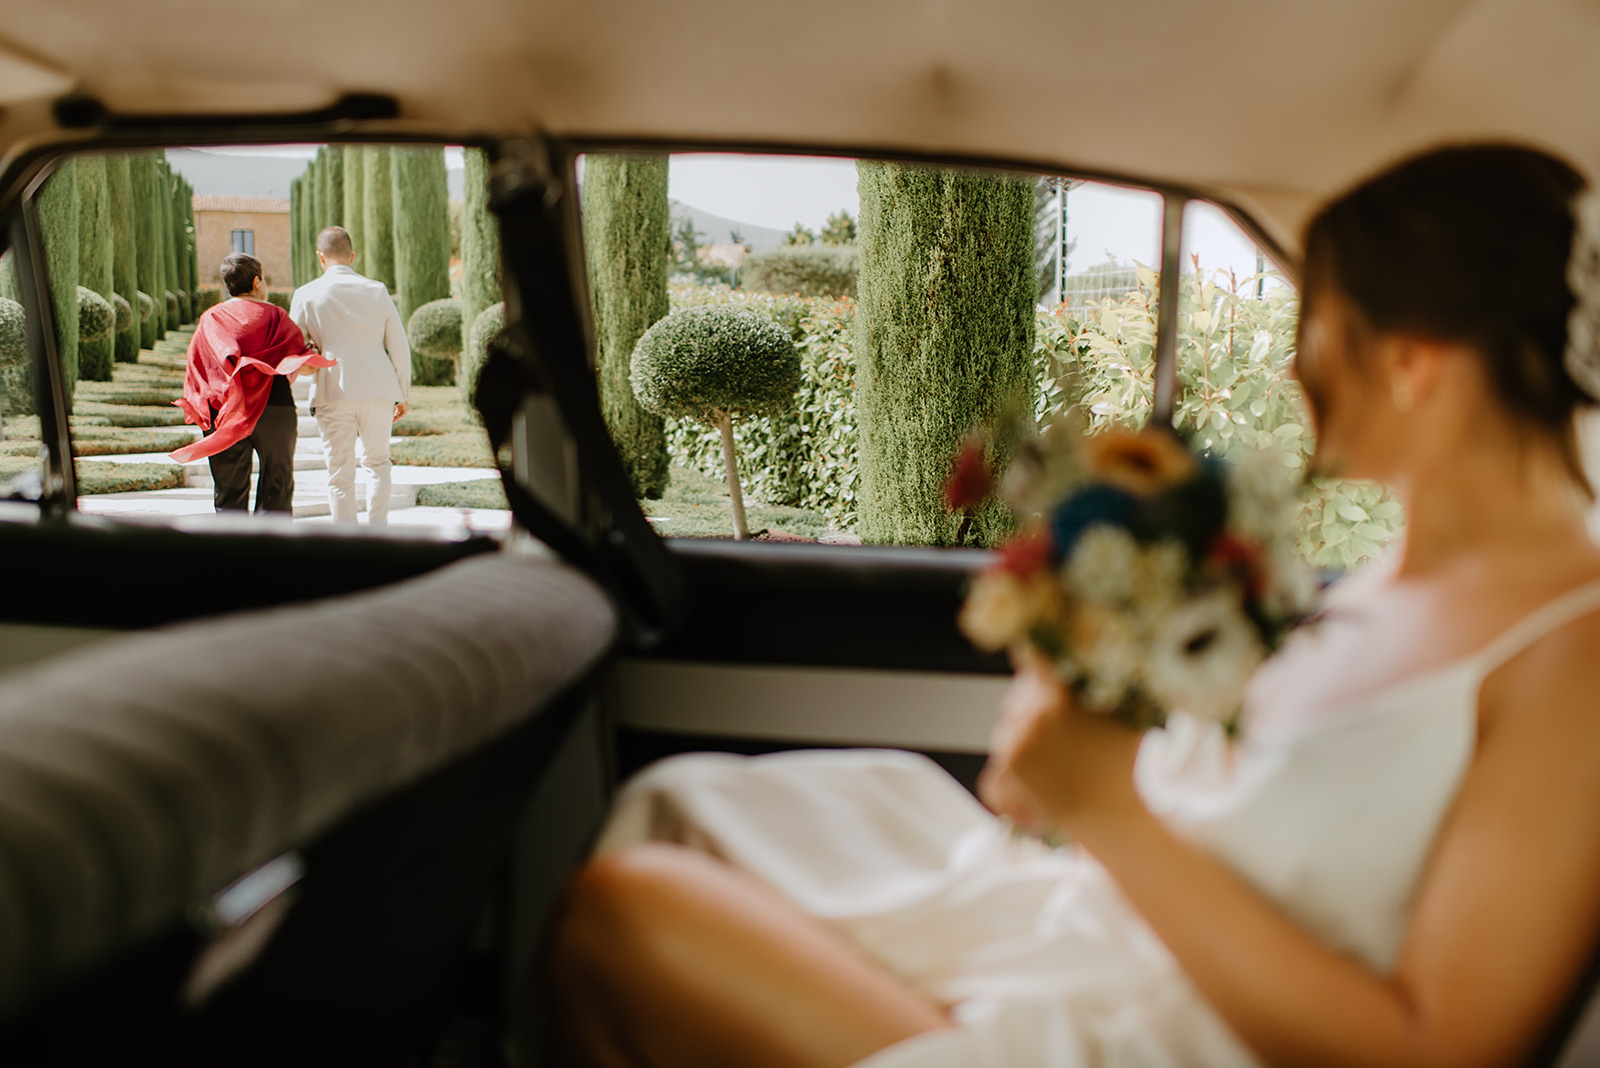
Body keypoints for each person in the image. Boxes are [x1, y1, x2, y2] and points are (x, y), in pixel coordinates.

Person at [549, 144, 1600, 1068]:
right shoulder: (1384, 579)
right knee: (696, 807)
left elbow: (1439, 1052)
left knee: (622, 916)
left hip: (1158, 1032)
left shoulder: (1573, 653)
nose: (1289, 366)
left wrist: (1111, 816)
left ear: (1413, 364)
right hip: (1100, 933)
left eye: (1317, 330)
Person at [172, 252, 330, 512]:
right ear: (257, 282)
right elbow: (307, 365)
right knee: (276, 490)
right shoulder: (276, 316)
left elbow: (198, 370)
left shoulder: (210, 319)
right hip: (275, 408)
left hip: (225, 412)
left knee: (228, 494)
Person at [290, 225, 411, 526]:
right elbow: (398, 344)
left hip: (333, 389)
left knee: (339, 474)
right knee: (379, 464)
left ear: (321, 257)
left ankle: (347, 544)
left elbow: (293, 351)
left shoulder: (305, 294)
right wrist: (402, 393)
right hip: (379, 388)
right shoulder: (377, 290)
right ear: (352, 256)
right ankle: (378, 536)